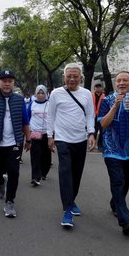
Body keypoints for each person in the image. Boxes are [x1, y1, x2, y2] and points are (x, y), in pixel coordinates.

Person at [98, 71, 129, 235]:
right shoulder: (106, 100)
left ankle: (115, 203)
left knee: (124, 180)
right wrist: (115, 106)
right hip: (112, 150)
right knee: (118, 181)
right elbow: (104, 124)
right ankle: (125, 219)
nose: (121, 83)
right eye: (118, 80)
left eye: (125, 80)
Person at [46, 65, 95, 228]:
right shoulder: (56, 93)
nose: (72, 79)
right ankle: (67, 210)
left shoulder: (86, 94)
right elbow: (50, 115)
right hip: (62, 139)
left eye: (75, 76)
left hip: (80, 139)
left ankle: (71, 199)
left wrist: (91, 133)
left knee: (76, 173)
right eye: (69, 76)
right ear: (64, 77)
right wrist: (50, 136)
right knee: (65, 171)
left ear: (80, 77)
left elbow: (90, 114)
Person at [0, 69, 31, 218]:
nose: (7, 84)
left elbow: (25, 122)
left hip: (15, 143)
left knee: (14, 172)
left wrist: (28, 139)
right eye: (4, 81)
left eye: (10, 81)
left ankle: (10, 202)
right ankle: (0, 182)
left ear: (13, 83)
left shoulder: (19, 100)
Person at [28, 85, 51, 186]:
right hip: (35, 132)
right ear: (35, 94)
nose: (41, 95)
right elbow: (27, 117)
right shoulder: (32, 104)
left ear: (46, 94)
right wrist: (27, 132)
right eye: (39, 93)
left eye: (42, 93)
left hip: (47, 133)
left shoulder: (50, 104)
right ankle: (35, 177)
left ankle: (44, 172)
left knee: (46, 154)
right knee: (35, 154)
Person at [92, 83, 105, 151]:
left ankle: (100, 146)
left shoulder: (104, 96)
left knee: (102, 131)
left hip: (102, 116)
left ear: (102, 88)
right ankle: (92, 145)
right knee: (94, 131)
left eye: (99, 87)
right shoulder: (91, 96)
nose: (98, 88)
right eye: (97, 87)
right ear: (94, 88)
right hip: (93, 115)